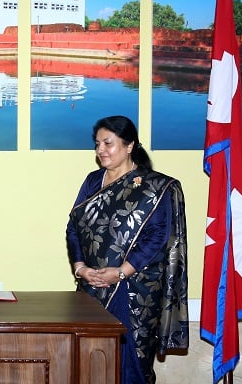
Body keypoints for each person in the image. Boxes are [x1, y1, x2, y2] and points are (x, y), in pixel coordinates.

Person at [66, 115, 189, 384]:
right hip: (91, 287)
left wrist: (120, 273)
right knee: (91, 364)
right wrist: (81, 268)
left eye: (108, 143)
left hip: (134, 291)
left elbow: (157, 238)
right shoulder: (92, 181)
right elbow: (74, 227)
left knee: (130, 366)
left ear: (130, 145)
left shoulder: (155, 186)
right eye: (97, 144)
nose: (101, 150)